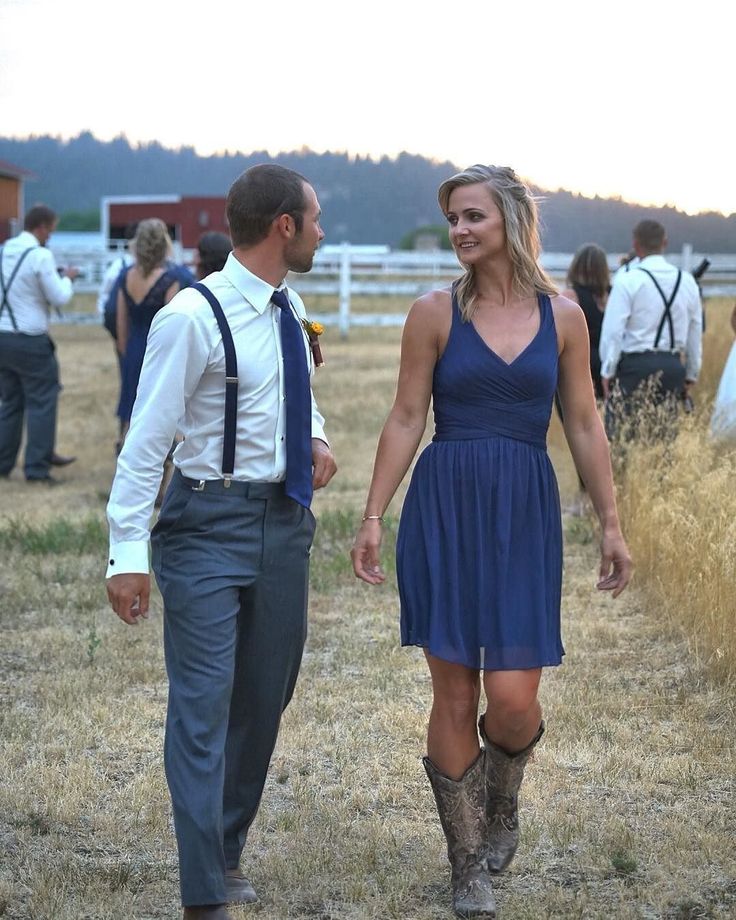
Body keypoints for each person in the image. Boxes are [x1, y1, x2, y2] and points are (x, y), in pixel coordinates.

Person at [351, 164, 632, 919]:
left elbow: (582, 422)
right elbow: (408, 416)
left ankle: (503, 801)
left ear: (509, 218)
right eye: (453, 220)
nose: (460, 231)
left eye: (472, 216)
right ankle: (466, 861)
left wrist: (610, 521)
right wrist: (374, 514)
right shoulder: (433, 312)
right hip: (447, 506)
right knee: (453, 689)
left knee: (512, 699)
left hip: (523, 513)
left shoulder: (564, 316)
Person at [105, 163, 336, 920]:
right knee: (202, 708)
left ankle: (226, 845)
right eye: (316, 218)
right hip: (204, 528)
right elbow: (146, 443)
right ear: (284, 227)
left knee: (263, 702)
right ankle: (204, 892)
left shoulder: (289, 308)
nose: (322, 231)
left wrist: (316, 438)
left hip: (283, 525)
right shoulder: (191, 317)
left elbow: (297, 397)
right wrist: (128, 555)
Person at [599, 219, 702, 440]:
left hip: (633, 368)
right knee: (664, 444)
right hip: (672, 367)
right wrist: (691, 372)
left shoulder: (627, 280)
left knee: (620, 439)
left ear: (636, 245)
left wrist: (607, 371)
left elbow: (613, 332)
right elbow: (695, 330)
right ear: (665, 242)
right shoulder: (687, 282)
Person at [0, 204, 79, 483]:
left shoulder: (4, 250)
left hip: (3, 336)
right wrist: (67, 279)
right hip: (30, 338)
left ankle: (3, 463)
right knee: (42, 402)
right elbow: (59, 297)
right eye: (51, 232)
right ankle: (36, 468)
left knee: (10, 402)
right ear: (42, 227)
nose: (50, 238)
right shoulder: (40, 255)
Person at [115, 218, 181, 443]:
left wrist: (126, 352)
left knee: (130, 405)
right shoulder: (170, 280)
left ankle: (124, 448)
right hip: (158, 351)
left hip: (133, 348)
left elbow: (121, 323)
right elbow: (173, 327)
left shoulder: (126, 276)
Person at [558, 243, 611, 511]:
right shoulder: (612, 295)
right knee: (601, 430)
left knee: (577, 431)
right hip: (609, 369)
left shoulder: (571, 295)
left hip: (578, 369)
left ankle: (585, 496)